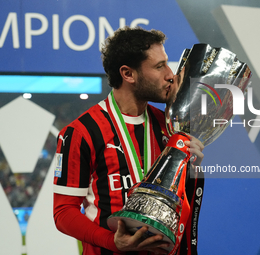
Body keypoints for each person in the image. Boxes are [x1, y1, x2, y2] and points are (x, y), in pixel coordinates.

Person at [53, 27, 204, 255]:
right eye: (159, 66)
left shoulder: (169, 126)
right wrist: (112, 242)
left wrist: (192, 169)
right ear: (128, 74)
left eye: (167, 63)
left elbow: (179, 200)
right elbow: (63, 212)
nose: (170, 74)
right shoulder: (82, 132)